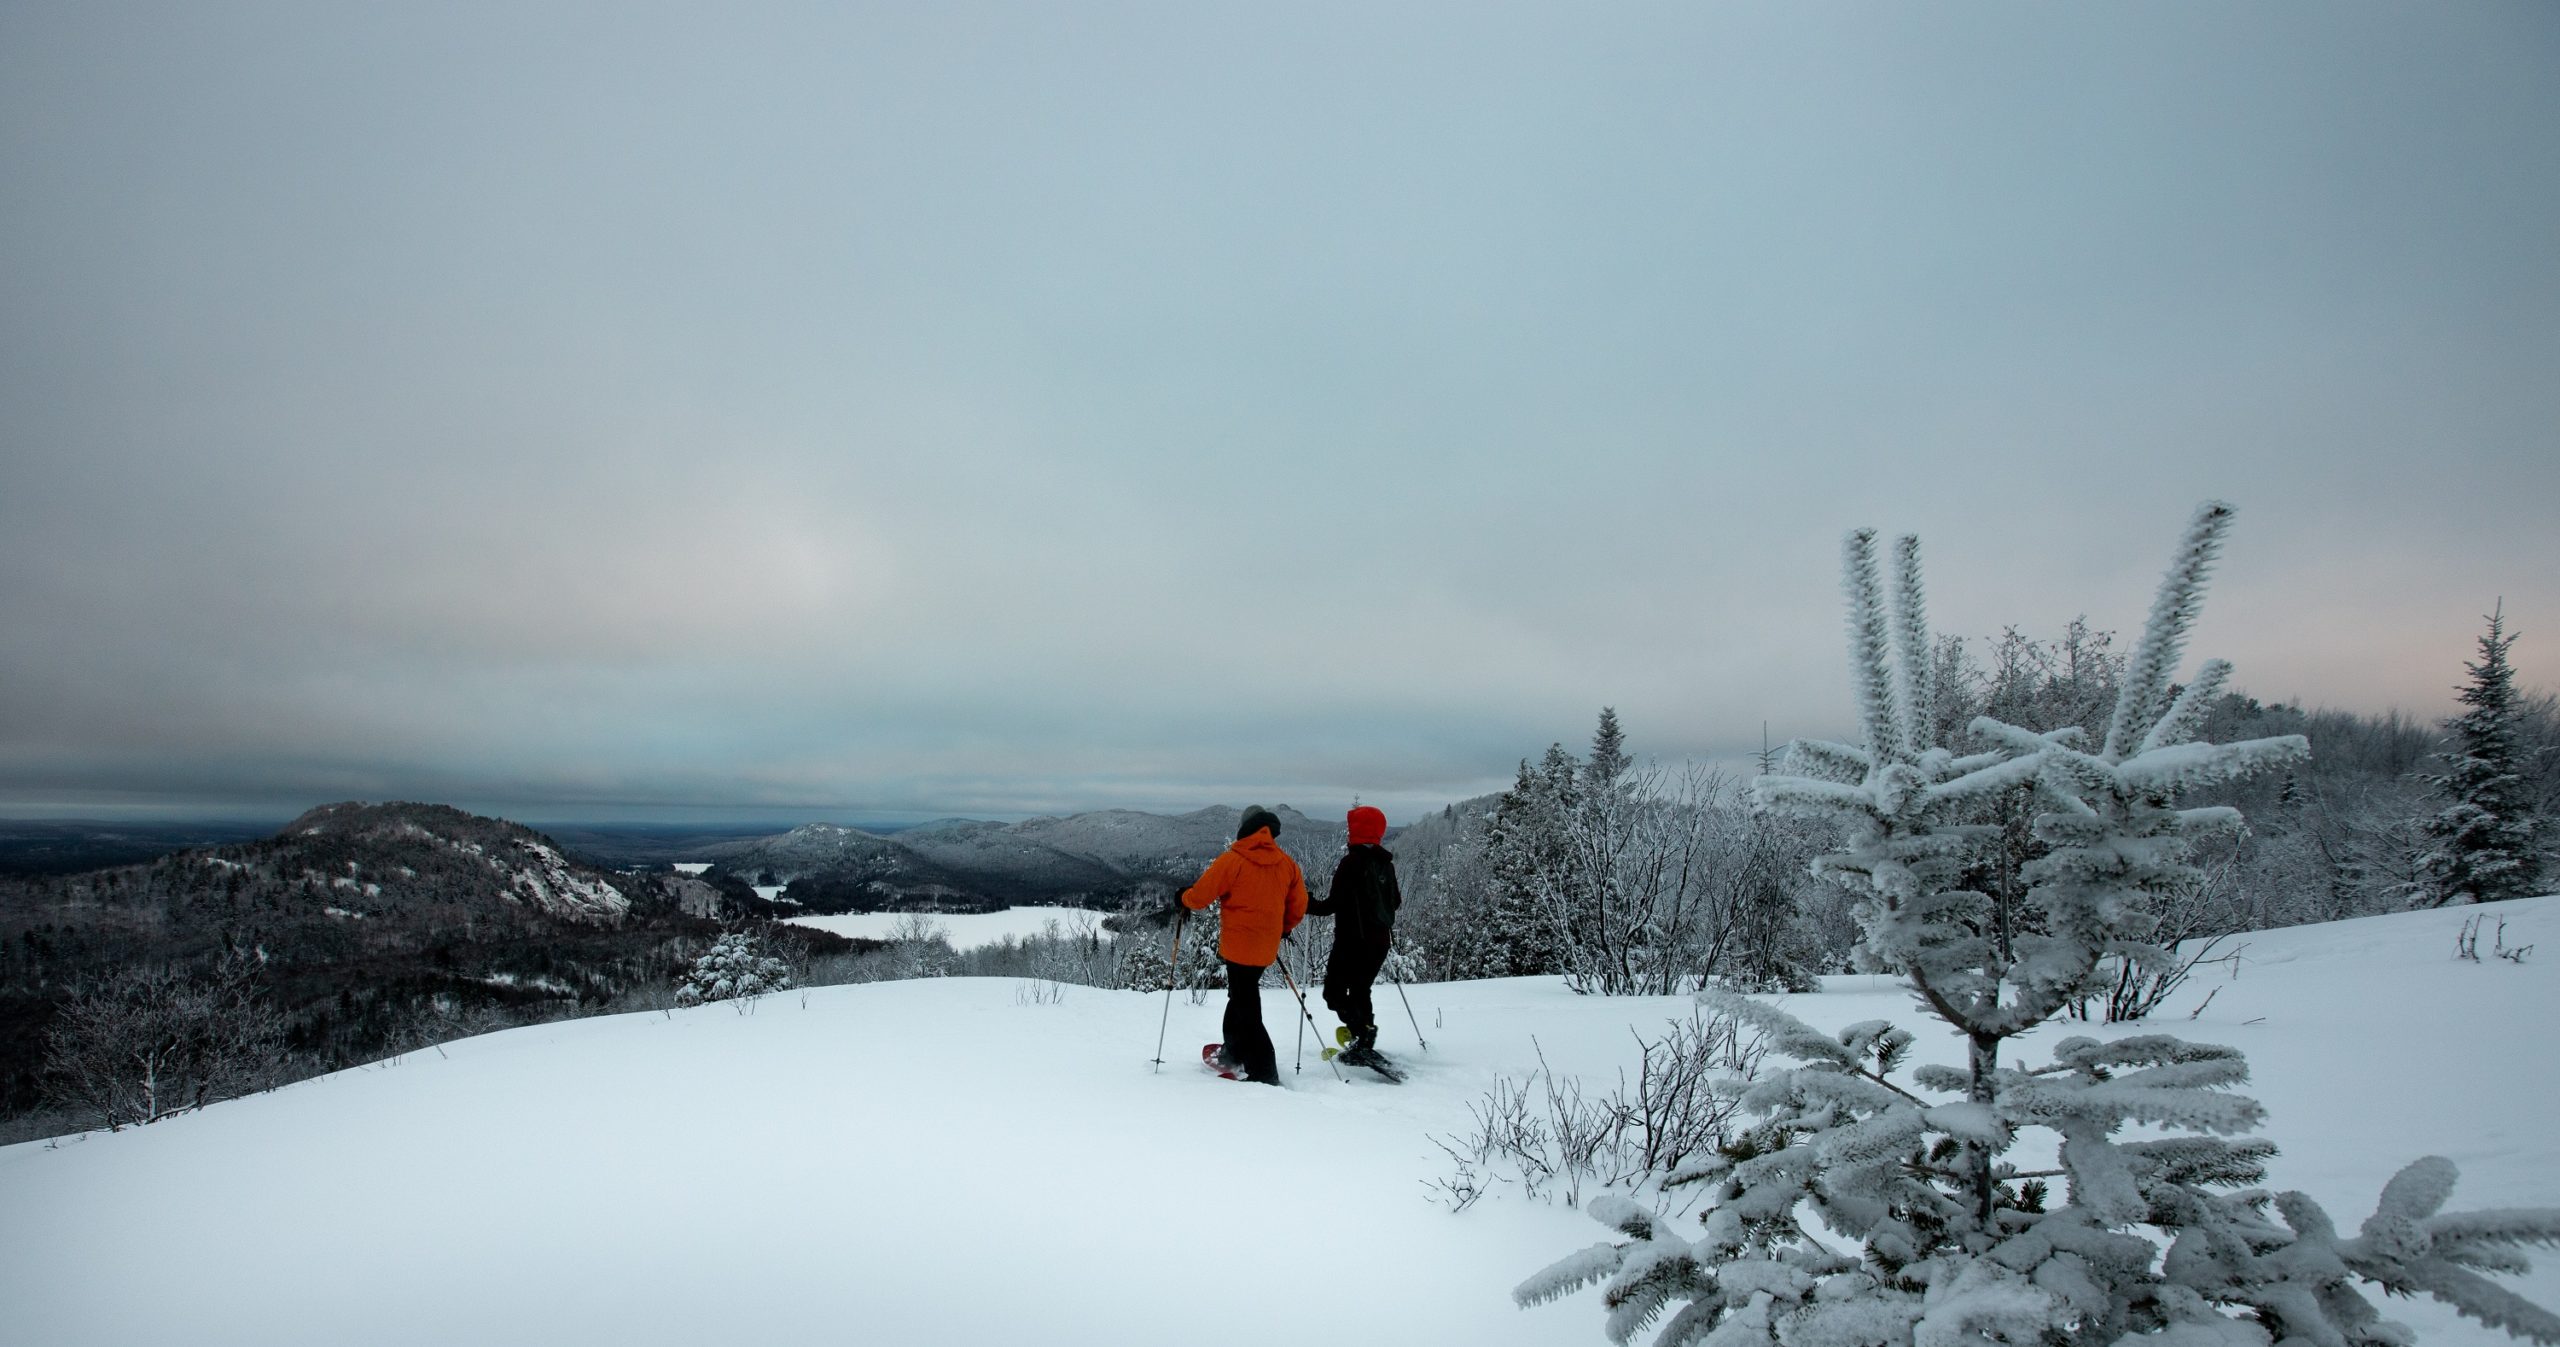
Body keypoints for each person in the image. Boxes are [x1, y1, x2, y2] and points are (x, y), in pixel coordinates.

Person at [1177, 805, 1307, 1085]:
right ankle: (1233, 1050)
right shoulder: (1286, 864)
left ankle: (1264, 1071)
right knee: (1241, 998)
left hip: (1238, 947)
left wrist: (1183, 898)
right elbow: (1299, 906)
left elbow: (1200, 896)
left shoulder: (1233, 860)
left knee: (1246, 1006)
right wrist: (1282, 929)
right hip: (1265, 949)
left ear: (1244, 828)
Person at [1307, 804, 1400, 1065]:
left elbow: (1331, 905)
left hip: (1351, 942)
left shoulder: (1350, 863)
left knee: (1333, 994)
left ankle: (1361, 1035)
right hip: (1380, 942)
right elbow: (1396, 902)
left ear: (1356, 831)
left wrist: (1307, 903)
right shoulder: (1386, 864)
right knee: (1361, 989)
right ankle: (1365, 1037)